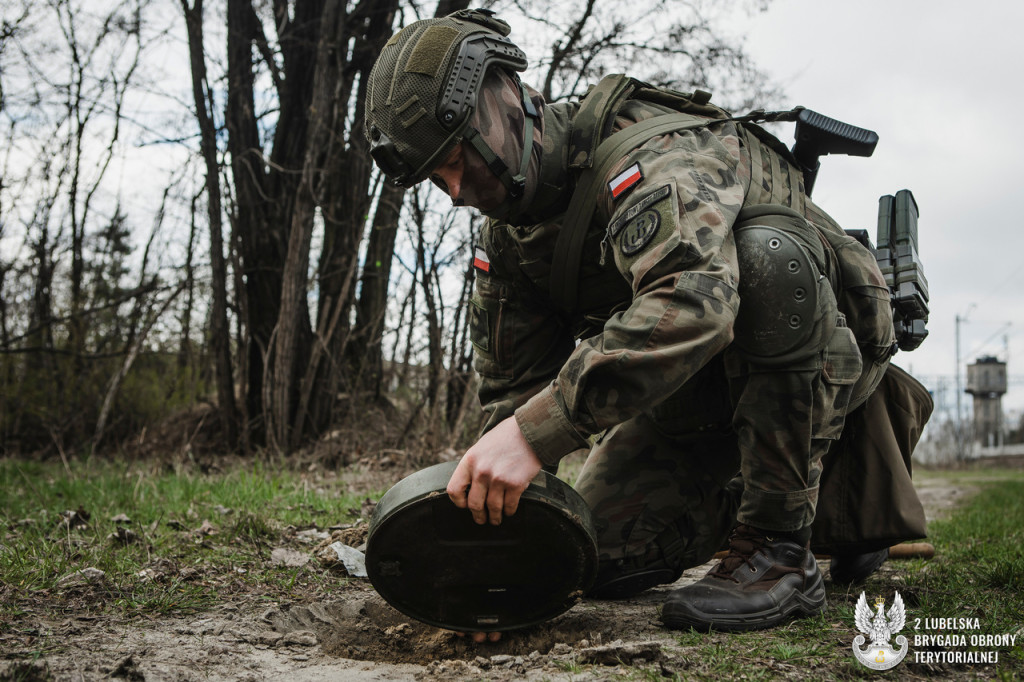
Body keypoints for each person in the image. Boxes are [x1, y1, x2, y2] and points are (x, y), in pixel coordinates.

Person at [364, 8, 926, 634]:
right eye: (435, 178)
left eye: (458, 157)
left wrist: (535, 435)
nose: (457, 190)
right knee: (583, 553)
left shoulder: (652, 153)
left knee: (770, 261)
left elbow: (693, 305)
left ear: (506, 97)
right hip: (692, 398)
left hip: (818, 352)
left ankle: (779, 547)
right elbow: (513, 400)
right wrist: (500, 566)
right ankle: (840, 511)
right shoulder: (510, 246)